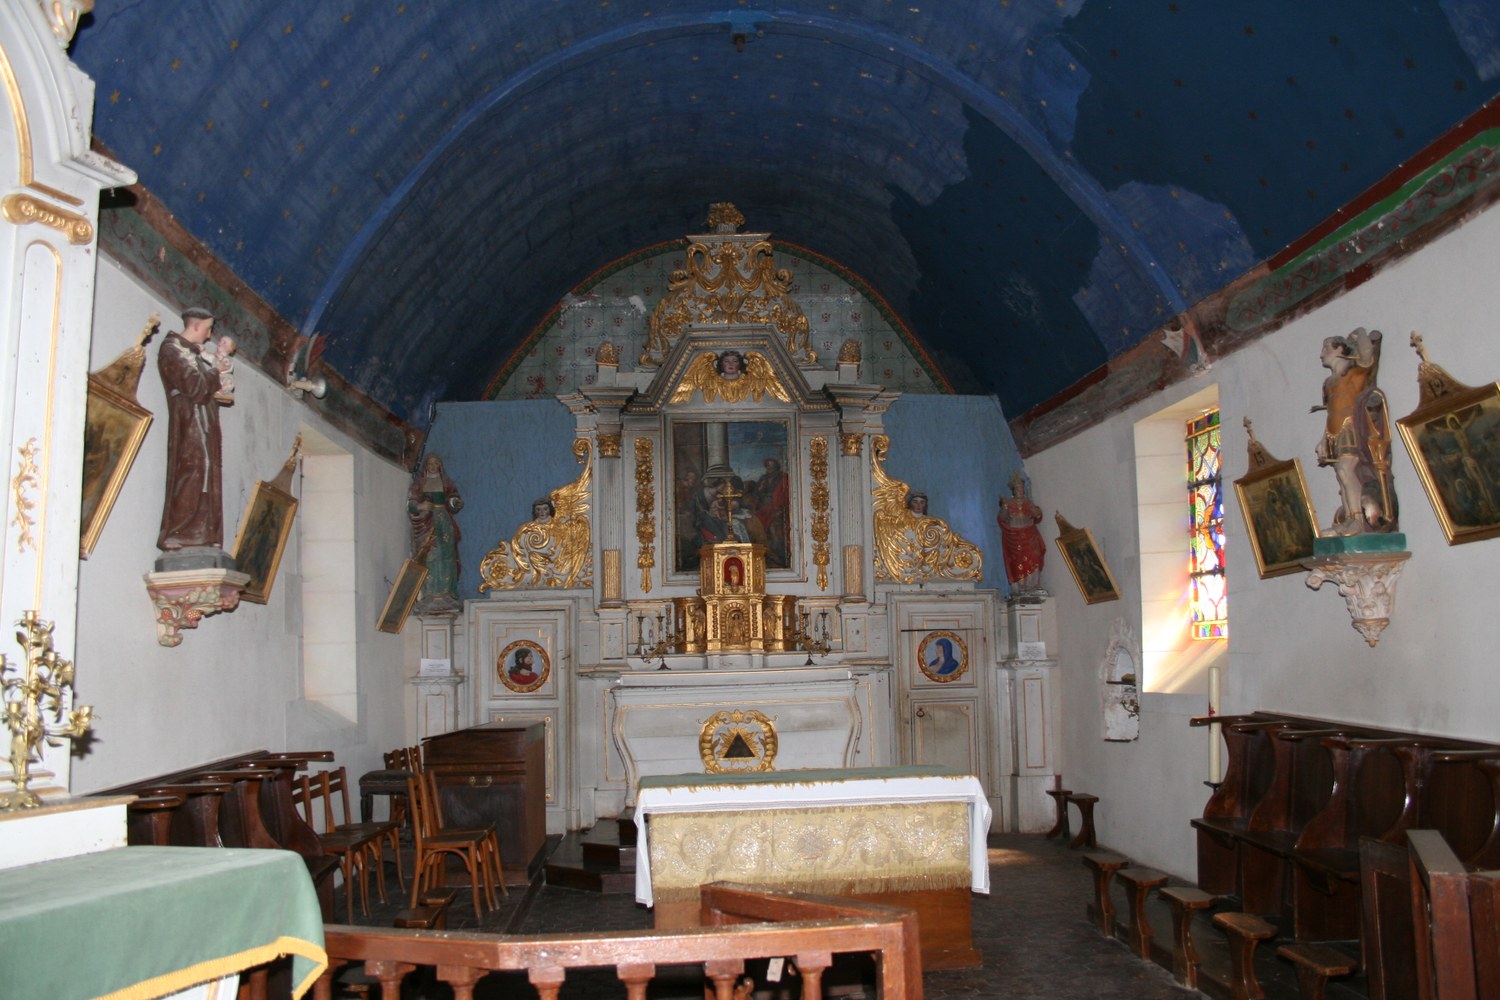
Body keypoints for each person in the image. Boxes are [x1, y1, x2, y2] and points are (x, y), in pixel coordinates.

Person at [157, 306, 233, 552]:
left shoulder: (195, 354)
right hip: (188, 421)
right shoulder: (171, 350)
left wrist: (218, 381)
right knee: (192, 470)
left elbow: (204, 387)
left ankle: (203, 533)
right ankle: (178, 530)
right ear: (197, 325)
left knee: (208, 473)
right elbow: (196, 388)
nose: (209, 335)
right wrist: (215, 373)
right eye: (208, 329)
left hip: (204, 421)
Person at [1311, 328, 1398, 534]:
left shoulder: (1354, 374)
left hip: (1350, 428)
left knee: (1346, 470)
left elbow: (1367, 355)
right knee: (1341, 476)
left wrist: (1361, 334)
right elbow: (1331, 412)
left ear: (1341, 349)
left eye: (1326, 347)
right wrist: (1323, 439)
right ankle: (1350, 518)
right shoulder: (1328, 383)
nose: (1321, 353)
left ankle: (1357, 520)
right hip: (1334, 432)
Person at [408, 453, 464, 613]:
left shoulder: (446, 482)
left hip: (443, 521)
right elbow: (412, 503)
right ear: (426, 466)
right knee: (430, 555)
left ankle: (446, 593)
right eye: (430, 464)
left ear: (440, 465)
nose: (433, 466)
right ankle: (429, 594)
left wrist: (454, 502)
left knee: (446, 554)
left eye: (436, 463)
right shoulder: (420, 484)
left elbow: (453, 498)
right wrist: (420, 506)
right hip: (426, 522)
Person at [998, 472, 1046, 594]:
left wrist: (1037, 512)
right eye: (1017, 488)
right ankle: (1020, 588)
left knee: (1034, 557)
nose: (1020, 490)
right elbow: (1002, 518)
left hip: (1030, 536)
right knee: (1017, 562)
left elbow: (1037, 517)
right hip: (1014, 539)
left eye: (1022, 488)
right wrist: (1005, 507)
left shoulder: (1029, 503)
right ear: (1013, 490)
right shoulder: (1009, 504)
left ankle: (1033, 586)